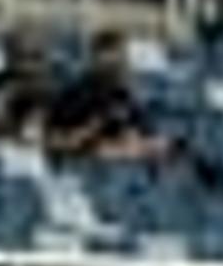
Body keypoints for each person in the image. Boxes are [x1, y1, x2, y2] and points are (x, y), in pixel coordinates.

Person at [43, 28, 179, 165]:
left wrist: (137, 138)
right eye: (113, 59)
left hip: (122, 163)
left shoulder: (123, 95)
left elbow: (144, 129)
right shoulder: (75, 95)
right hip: (89, 161)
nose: (121, 64)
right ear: (96, 59)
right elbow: (56, 141)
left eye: (122, 58)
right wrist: (96, 124)